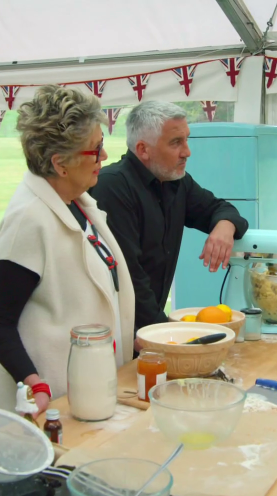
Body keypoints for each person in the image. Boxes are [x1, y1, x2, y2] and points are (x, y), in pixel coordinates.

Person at [0, 85, 136, 416]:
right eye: (95, 150)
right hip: (49, 403)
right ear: (60, 164)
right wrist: (34, 383)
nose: (104, 158)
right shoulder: (29, 219)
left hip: (89, 390)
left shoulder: (78, 204)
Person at [90, 101, 248, 335]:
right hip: (116, 333)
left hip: (149, 328)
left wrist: (225, 226)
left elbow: (220, 208)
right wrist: (165, 333)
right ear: (143, 149)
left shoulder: (176, 182)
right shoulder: (112, 186)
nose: (187, 151)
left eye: (186, 139)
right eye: (176, 142)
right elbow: (129, 277)